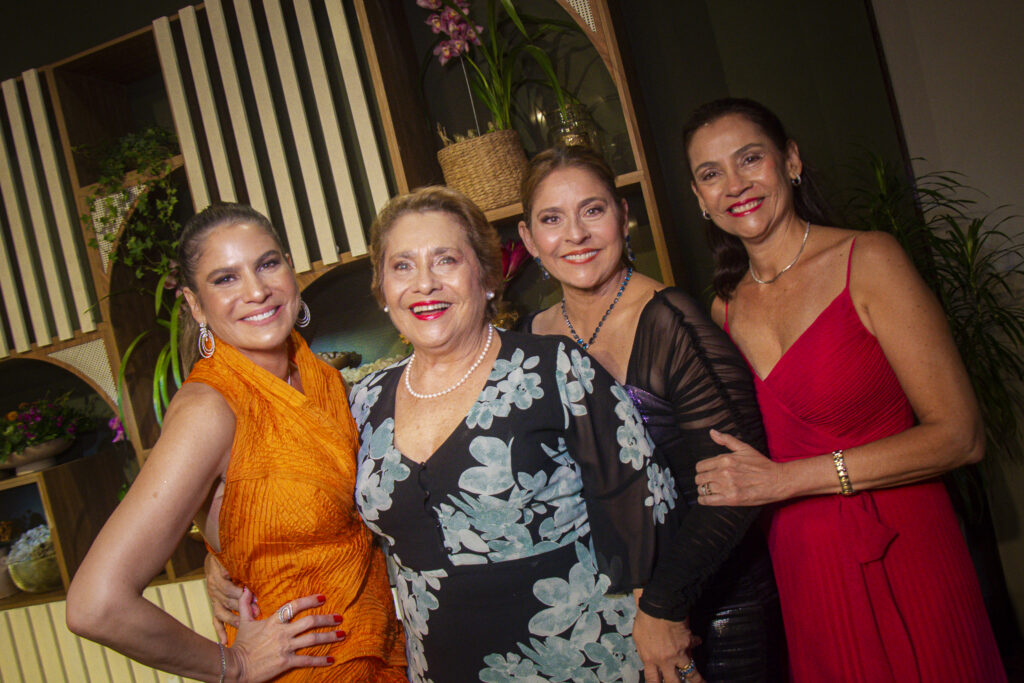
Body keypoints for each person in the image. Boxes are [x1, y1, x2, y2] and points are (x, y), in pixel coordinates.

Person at [682, 97, 1006, 681]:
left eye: (749, 159)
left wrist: (787, 479)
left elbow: (962, 436)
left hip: (904, 549)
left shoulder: (869, 258)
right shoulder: (723, 308)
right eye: (711, 174)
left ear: (791, 161)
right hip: (803, 566)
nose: (735, 185)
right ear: (700, 199)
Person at [347, 185, 680, 682]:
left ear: (484, 275)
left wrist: (663, 624)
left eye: (445, 260)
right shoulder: (361, 402)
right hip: (440, 668)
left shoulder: (555, 371)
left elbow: (642, 501)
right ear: (382, 290)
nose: (424, 284)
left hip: (585, 661)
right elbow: (312, 506)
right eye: (402, 266)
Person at [67, 204, 407, 682]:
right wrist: (237, 665)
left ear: (290, 268)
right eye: (225, 278)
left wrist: (223, 552)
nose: (256, 290)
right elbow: (95, 604)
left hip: (388, 652)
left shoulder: (322, 377)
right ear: (195, 304)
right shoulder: (209, 408)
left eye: (267, 264)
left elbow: (297, 507)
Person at [518, 145, 783, 683]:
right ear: (528, 240)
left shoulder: (673, 322)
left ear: (623, 215)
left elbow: (737, 487)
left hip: (709, 608)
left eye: (592, 210)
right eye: (552, 219)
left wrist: (663, 606)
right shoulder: (524, 340)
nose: (575, 235)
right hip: (597, 623)